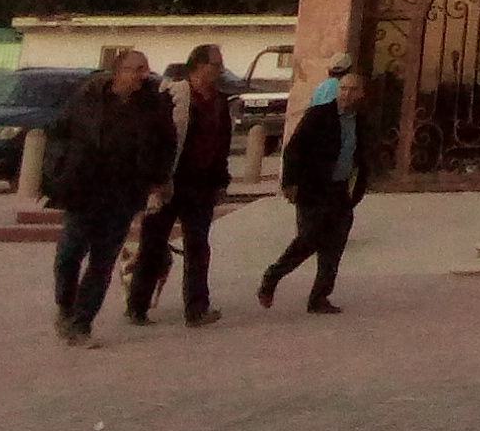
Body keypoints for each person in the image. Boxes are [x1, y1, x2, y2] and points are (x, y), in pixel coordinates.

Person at [48, 50, 172, 347]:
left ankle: (82, 324)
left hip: (124, 193)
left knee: (102, 262)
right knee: (69, 254)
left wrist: (159, 180)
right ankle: (65, 307)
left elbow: (166, 143)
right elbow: (58, 133)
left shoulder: (153, 104)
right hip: (84, 188)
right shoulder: (88, 98)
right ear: (119, 71)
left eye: (146, 69)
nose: (144, 75)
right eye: (137, 69)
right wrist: (57, 171)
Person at [127, 43, 233, 328]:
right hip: (170, 181)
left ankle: (197, 308)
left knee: (198, 246)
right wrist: (155, 180)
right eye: (215, 64)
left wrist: (221, 180)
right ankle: (137, 305)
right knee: (153, 244)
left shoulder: (220, 102)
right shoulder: (173, 97)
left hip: (202, 185)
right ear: (198, 65)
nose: (219, 69)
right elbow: (155, 140)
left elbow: (222, 144)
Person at [259, 69, 368, 316]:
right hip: (313, 187)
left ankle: (319, 297)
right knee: (309, 238)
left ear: (361, 93)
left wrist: (358, 190)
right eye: (343, 89)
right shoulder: (319, 115)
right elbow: (294, 148)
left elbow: (362, 156)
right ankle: (272, 276)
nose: (346, 94)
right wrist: (290, 183)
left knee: (335, 243)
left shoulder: (360, 120)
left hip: (340, 190)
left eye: (352, 90)